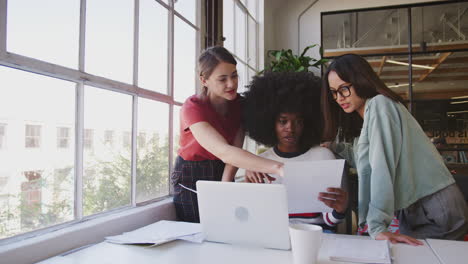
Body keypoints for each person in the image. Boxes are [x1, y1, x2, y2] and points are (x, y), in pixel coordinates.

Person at [321, 53, 468, 245]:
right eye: (334, 92)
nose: (339, 98)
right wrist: (333, 146)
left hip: (433, 207)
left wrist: (376, 226)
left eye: (344, 89)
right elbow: (364, 159)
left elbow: (382, 167)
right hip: (418, 207)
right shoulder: (371, 114)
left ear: (360, 80)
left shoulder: (380, 105)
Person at [171, 46, 284, 223]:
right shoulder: (192, 107)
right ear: (204, 80)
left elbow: (234, 148)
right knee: (197, 230)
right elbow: (224, 151)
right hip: (191, 172)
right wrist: (277, 168)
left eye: (234, 75)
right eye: (222, 79)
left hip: (223, 166)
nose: (231, 84)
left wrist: (226, 182)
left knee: (224, 225)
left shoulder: (241, 105)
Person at [242, 71, 348, 232]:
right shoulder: (261, 162)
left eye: (298, 122)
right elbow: (257, 217)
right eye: (283, 121)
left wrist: (339, 209)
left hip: (315, 232)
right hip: (274, 233)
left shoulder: (322, 156)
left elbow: (329, 221)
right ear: (270, 123)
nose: (290, 129)